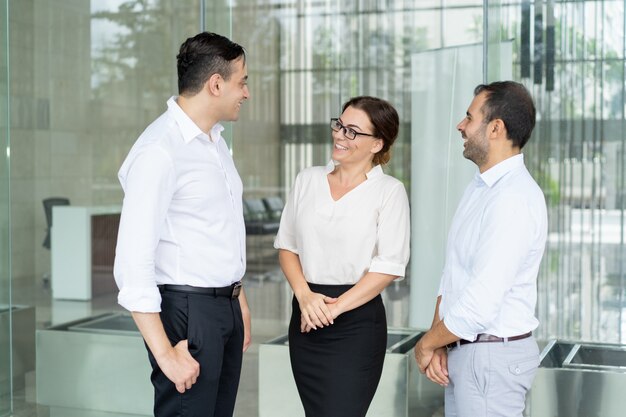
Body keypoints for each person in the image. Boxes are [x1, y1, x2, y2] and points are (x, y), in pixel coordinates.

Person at [113, 32, 251, 417]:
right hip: (187, 311)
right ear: (216, 83)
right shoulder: (159, 150)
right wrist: (164, 354)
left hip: (223, 306)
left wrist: (238, 299)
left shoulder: (216, 142)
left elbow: (216, 228)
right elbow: (131, 263)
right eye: (242, 82)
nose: (247, 92)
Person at [413, 81, 548, 417]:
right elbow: (454, 274)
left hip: (490, 358)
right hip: (470, 352)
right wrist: (441, 339)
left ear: (495, 128)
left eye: (469, 117)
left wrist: (427, 344)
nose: (461, 125)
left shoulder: (512, 199)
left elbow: (480, 304)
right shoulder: (481, 188)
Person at [274, 96, 410, 417]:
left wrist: (333, 309)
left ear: (377, 144)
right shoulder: (307, 179)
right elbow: (287, 246)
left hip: (356, 322)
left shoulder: (389, 191)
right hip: (307, 315)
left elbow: (388, 266)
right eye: (339, 125)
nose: (339, 135)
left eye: (352, 131)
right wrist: (305, 297)